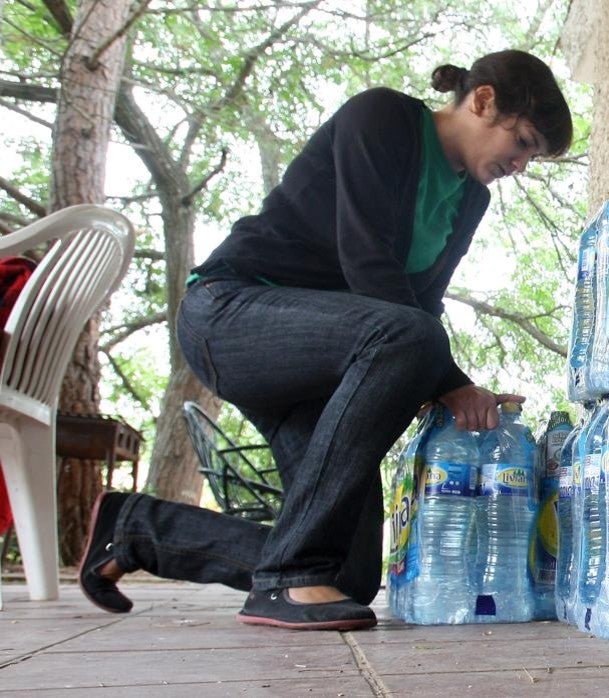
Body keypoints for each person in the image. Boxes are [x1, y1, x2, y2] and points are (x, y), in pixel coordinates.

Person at [75, 49, 573, 631]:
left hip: (322, 365)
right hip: (232, 313)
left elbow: (424, 304)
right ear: (483, 101)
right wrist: (454, 384)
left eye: (532, 157)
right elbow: (368, 264)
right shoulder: (382, 118)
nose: (521, 164)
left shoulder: (470, 200)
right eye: (522, 142)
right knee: (407, 337)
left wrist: (451, 384)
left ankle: (136, 529)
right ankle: (285, 580)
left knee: (347, 574)